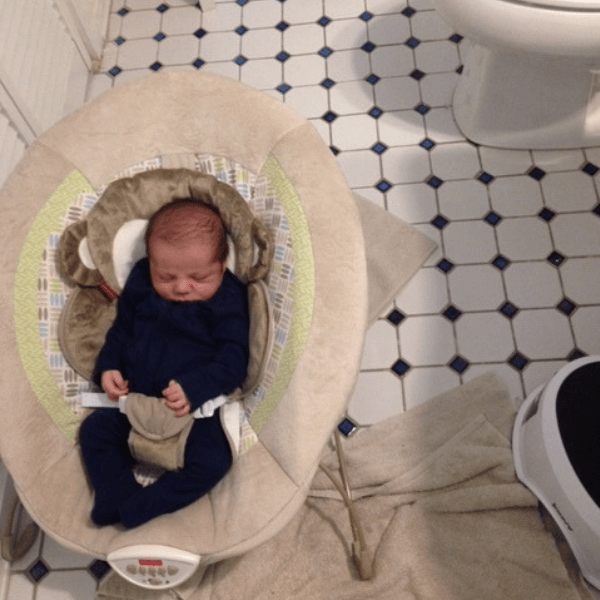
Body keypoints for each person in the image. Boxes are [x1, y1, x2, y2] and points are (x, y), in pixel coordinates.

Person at [79, 199, 250, 528]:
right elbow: (122, 330)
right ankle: (115, 492)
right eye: (166, 275)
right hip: (136, 404)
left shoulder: (229, 297)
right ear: (151, 262)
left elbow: (236, 357)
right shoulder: (142, 281)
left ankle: (147, 504)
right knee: (94, 432)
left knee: (215, 461)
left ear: (222, 263)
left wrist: (196, 387)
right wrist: (110, 366)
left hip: (193, 415)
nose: (182, 287)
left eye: (199, 277)